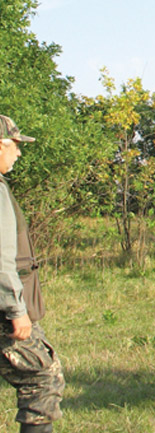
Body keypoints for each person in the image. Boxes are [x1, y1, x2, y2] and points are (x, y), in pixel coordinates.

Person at [0, 115, 65, 433]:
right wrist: (16, 310)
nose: (18, 153)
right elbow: (1, 259)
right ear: (0, 145)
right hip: (4, 312)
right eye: (15, 145)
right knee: (43, 377)